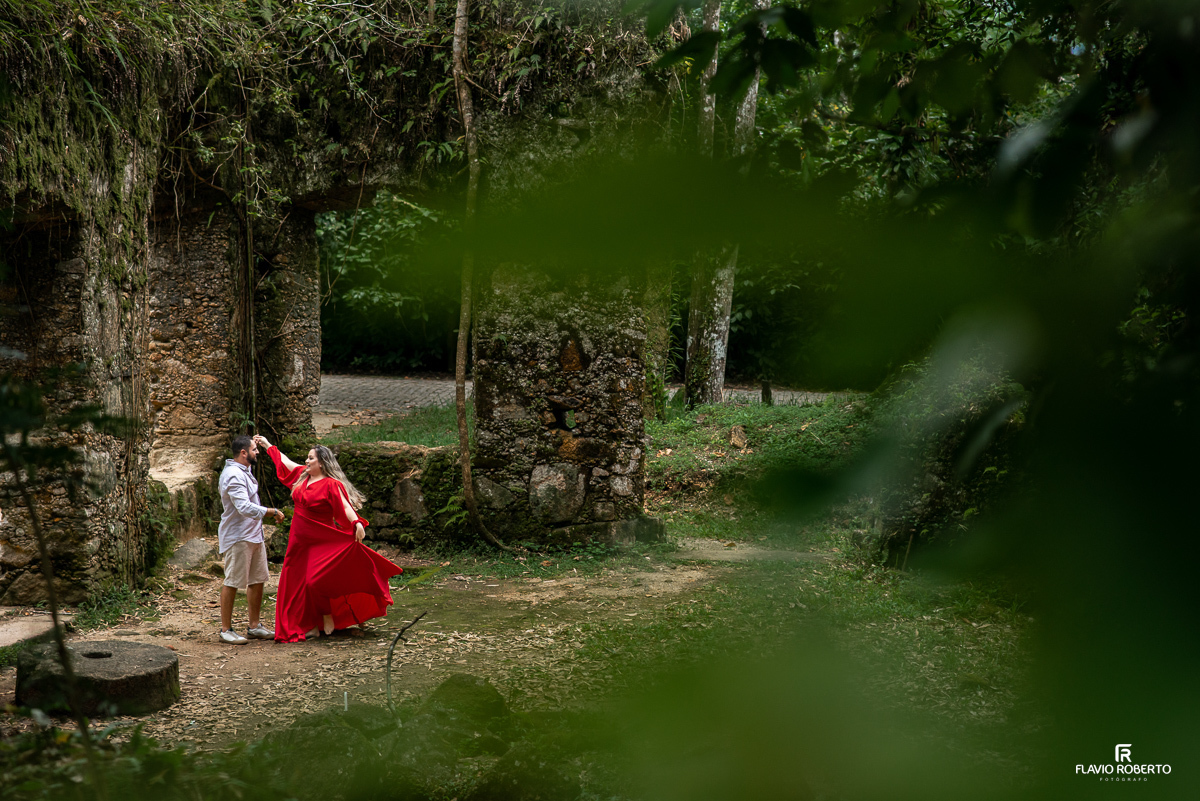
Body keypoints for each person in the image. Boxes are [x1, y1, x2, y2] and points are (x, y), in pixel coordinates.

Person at [252, 435, 403, 642]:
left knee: (315, 580)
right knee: (295, 583)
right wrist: (268, 445)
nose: (306, 461)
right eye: (307, 458)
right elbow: (284, 461)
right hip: (299, 541)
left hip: (322, 539)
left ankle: (326, 614)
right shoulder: (302, 476)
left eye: (311, 458)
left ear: (322, 463)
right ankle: (311, 627)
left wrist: (356, 523)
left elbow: (345, 506)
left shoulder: (331, 484)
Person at [217, 435, 283, 644]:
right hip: (239, 536)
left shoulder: (244, 469)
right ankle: (225, 630)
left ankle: (254, 626)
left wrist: (260, 441)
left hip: (254, 535)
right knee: (232, 581)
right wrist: (271, 512)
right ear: (243, 453)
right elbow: (243, 507)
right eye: (255, 449)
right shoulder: (233, 475)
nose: (258, 452)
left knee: (257, 579)